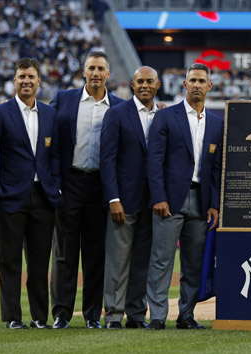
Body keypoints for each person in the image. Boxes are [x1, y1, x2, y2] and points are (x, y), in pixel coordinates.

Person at [146, 63, 223, 330]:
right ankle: (156, 316)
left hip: (201, 202)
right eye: (192, 80)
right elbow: (154, 161)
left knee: (193, 264)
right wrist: (158, 196)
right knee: (161, 260)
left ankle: (186, 315)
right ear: (185, 85)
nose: (197, 85)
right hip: (169, 201)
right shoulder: (167, 117)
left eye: (202, 81)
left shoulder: (216, 124)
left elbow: (216, 170)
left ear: (209, 86)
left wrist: (214, 204)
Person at [49, 51, 123, 329]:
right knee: (64, 254)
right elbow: (52, 145)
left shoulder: (119, 106)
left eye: (100, 68)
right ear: (83, 72)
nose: (95, 73)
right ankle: (61, 314)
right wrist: (55, 184)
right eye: (91, 67)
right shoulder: (63, 100)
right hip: (69, 184)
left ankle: (92, 315)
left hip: (100, 188)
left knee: (96, 255)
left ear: (108, 74)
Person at [0, 58, 62, 330]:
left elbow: (54, 155)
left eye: (31, 76)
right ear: (14, 80)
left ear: (39, 81)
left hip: (43, 197)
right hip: (10, 197)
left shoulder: (49, 114)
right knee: (8, 261)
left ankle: (39, 318)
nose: (26, 81)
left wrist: (54, 186)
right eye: (21, 76)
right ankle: (12, 318)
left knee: (39, 263)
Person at [100, 66, 160, 329]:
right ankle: (113, 315)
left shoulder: (165, 115)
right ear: (132, 85)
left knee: (141, 263)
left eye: (149, 81)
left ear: (157, 85)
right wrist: (113, 198)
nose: (145, 85)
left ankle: (136, 315)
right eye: (140, 82)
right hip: (123, 202)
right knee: (117, 261)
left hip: (153, 202)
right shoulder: (116, 114)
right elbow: (107, 160)